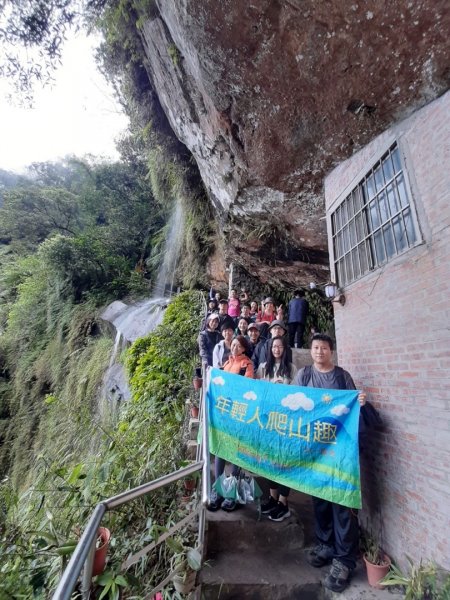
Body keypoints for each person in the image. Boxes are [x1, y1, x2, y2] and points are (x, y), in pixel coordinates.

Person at [293, 333, 367, 593]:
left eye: (324, 348)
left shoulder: (342, 376)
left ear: (331, 351)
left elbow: (354, 405)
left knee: (341, 502)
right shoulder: (304, 375)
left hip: (341, 450)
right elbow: (292, 405)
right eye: (315, 347)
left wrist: (360, 402)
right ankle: (325, 544)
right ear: (311, 351)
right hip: (315, 450)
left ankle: (345, 559)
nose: (319, 351)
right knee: (320, 500)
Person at [209, 336, 254, 512]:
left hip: (238, 413)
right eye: (233, 344)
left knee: (236, 451)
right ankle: (217, 490)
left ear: (243, 349)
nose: (235, 347)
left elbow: (247, 387)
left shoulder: (246, 365)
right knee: (220, 448)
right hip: (224, 412)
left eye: (238, 345)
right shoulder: (227, 363)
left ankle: (231, 492)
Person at [256, 336, 298, 522]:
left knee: (284, 462)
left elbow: (298, 394)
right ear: (270, 348)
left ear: (285, 349)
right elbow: (258, 391)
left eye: (280, 346)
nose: (277, 349)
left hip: (285, 422)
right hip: (267, 421)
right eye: (274, 346)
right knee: (269, 461)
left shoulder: (292, 369)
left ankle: (283, 502)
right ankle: (273, 498)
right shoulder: (263, 368)